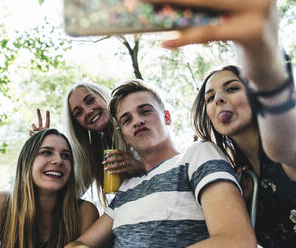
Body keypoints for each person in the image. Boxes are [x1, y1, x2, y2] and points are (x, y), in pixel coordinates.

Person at [153, 0, 296, 247]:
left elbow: (287, 143)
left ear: (256, 95)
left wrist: (265, 67)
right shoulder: (239, 178)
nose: (219, 99)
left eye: (232, 88)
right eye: (210, 98)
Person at [65, 80, 256, 248]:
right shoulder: (126, 188)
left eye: (145, 111)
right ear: (124, 135)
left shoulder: (196, 156)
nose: (138, 121)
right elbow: (81, 243)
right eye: (127, 119)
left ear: (167, 117)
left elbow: (236, 241)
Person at [0, 128, 99, 248]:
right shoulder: (0, 204)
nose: (58, 160)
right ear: (27, 161)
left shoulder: (84, 212)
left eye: (65, 156)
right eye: (46, 152)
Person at [30, 82, 144, 206]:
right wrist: (44, 145)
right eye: (79, 113)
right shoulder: (94, 152)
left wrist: (137, 166)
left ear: (102, 96)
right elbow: (71, 194)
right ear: (78, 124)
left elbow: (166, 164)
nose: (88, 111)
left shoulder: (137, 125)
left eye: (90, 101)